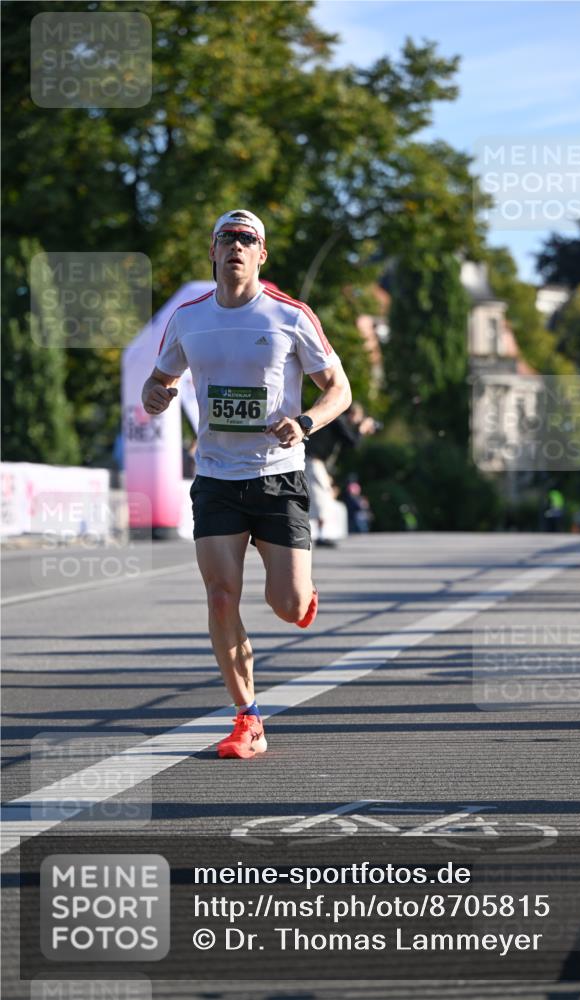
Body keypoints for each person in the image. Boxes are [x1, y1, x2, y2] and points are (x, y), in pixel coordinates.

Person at [142, 209, 351, 758]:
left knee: (286, 604)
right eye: (226, 238)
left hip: (277, 476)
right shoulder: (188, 319)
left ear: (262, 254)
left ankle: (299, 592)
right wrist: (155, 394)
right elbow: (157, 382)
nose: (236, 245)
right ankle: (248, 718)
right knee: (219, 597)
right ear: (212, 252)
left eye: (247, 238)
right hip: (215, 476)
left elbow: (339, 391)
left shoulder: (291, 315)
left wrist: (305, 422)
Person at [305, 401, 378, 546]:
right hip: (312, 460)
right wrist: (361, 430)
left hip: (317, 462)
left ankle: (321, 534)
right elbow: (352, 442)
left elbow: (343, 447)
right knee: (320, 495)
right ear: (352, 414)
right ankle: (320, 535)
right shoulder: (338, 420)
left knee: (323, 494)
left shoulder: (336, 423)